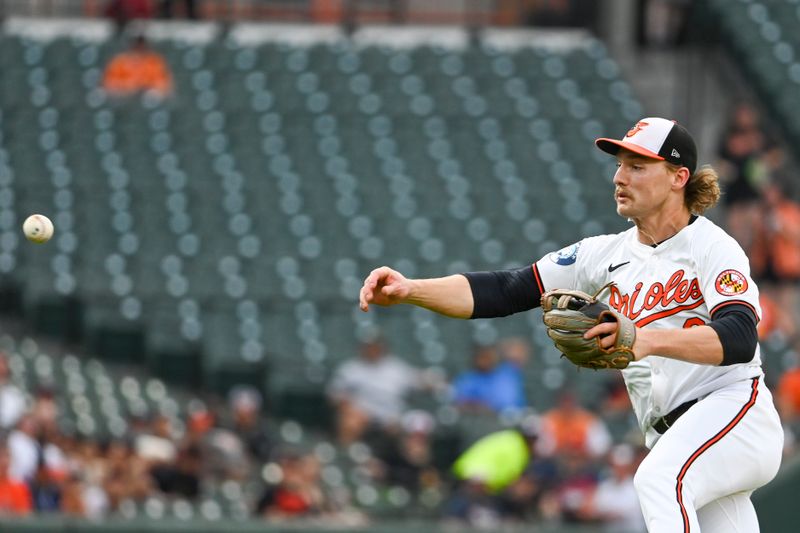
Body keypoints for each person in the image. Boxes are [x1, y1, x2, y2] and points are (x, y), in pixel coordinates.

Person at [359, 117, 784, 532]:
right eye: (618, 164)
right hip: (676, 434)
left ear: (678, 177)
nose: (620, 177)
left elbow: (740, 337)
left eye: (637, 166)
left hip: (733, 412)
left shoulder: (712, 247)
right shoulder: (602, 255)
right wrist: (411, 289)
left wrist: (645, 340)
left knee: (657, 479)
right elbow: (507, 290)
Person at [452, 343, 527, 415]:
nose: (485, 359)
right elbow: (460, 402)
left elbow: (509, 404)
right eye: (482, 355)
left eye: (488, 355)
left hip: (504, 422)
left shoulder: (506, 376)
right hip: (474, 423)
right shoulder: (468, 378)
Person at [102, 35, 173, 99]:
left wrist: (146, 86)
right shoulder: (119, 62)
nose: (139, 47)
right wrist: (128, 86)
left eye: (141, 44)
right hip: (124, 98)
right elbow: (108, 84)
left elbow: (165, 85)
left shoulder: (154, 62)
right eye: (137, 44)